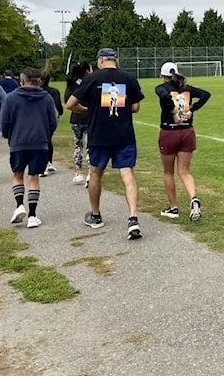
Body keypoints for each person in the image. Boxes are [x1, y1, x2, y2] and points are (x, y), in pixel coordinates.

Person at [66, 48, 145, 240]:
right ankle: (133, 218)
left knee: (95, 173)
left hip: (99, 135)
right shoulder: (128, 78)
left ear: (101, 60)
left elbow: (70, 104)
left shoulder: (92, 79)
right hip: (123, 135)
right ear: (114, 60)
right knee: (127, 173)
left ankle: (95, 215)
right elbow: (135, 107)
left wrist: (87, 110)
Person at [0, 67, 58, 228]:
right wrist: (47, 136)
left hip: (18, 141)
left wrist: (8, 135)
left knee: (17, 174)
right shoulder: (46, 98)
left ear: (22, 80)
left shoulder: (11, 98)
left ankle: (19, 205)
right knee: (34, 177)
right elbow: (53, 121)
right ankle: (32, 215)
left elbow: (5, 121)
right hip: (39, 141)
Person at [155, 62, 211, 222]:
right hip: (187, 131)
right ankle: (193, 198)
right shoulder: (187, 89)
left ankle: (173, 207)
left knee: (168, 172)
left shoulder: (163, 88)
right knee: (184, 171)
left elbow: (164, 95)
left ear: (164, 76)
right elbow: (206, 94)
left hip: (169, 131)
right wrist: (192, 109)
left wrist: (173, 113)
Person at [64, 61, 93, 184]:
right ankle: (90, 174)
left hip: (76, 118)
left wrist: (79, 109)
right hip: (90, 118)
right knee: (90, 146)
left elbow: (67, 101)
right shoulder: (90, 82)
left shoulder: (71, 84)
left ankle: (78, 172)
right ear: (87, 70)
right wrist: (86, 109)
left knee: (78, 145)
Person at [39, 71, 64, 176]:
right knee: (48, 139)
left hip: (39, 117)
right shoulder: (54, 92)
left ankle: (44, 163)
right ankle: (48, 162)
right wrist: (60, 113)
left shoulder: (37, 92)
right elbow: (58, 104)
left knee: (42, 140)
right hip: (51, 118)